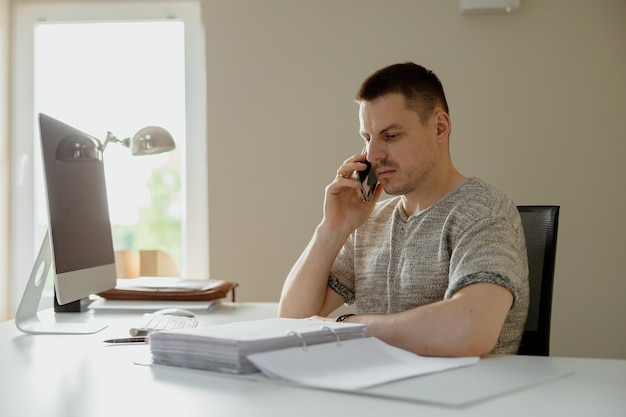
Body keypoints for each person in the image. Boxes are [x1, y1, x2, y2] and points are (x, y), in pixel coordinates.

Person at [278, 62, 529, 357]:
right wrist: (333, 228)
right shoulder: (372, 223)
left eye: (391, 136)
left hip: (462, 397)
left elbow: (471, 329)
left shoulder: (483, 211)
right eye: (367, 138)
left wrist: (351, 327)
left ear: (439, 127)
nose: (373, 155)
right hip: (381, 393)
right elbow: (293, 321)